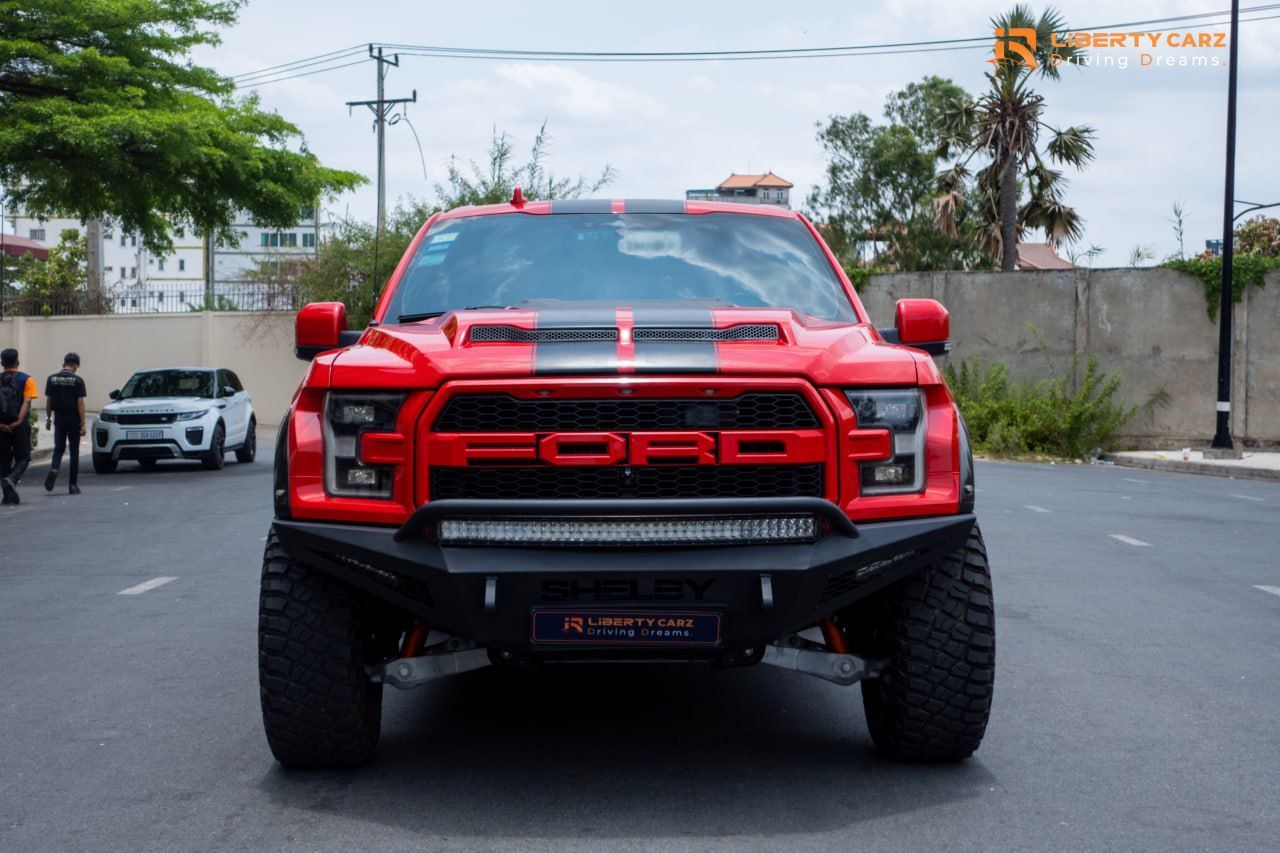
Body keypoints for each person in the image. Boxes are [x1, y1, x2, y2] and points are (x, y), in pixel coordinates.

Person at [44, 352, 87, 495]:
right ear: (75, 365)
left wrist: (49, 419)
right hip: (73, 418)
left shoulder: (52, 379)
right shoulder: (78, 380)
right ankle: (73, 485)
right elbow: (80, 402)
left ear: (64, 363)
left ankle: (54, 469)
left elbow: (49, 401)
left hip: (59, 418)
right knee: (74, 451)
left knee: (59, 448)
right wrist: (83, 423)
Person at [0, 347, 39, 505]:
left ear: (2, 363)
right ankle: (11, 479)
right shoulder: (27, 379)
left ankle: (7, 493)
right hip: (19, 425)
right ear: (18, 362)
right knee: (23, 457)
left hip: (1, 426)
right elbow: (27, 401)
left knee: (3, 458)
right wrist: (17, 421)